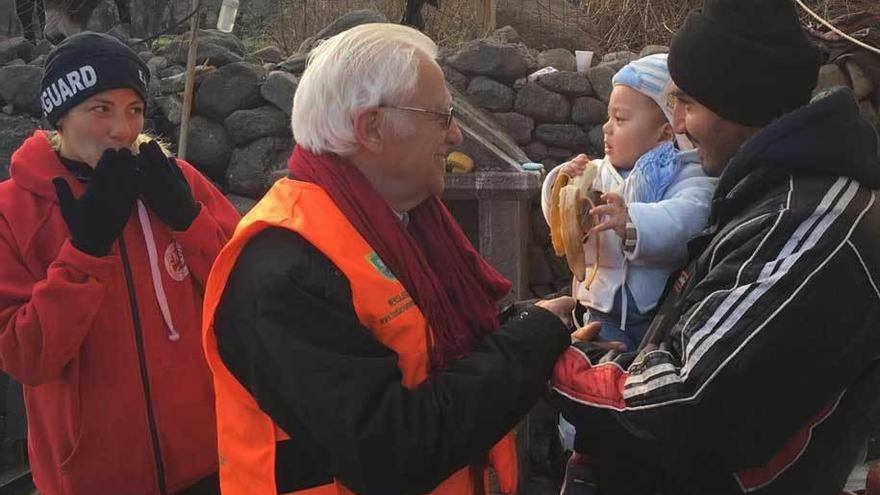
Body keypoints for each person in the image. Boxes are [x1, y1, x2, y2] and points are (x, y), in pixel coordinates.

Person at [201, 22, 580, 495]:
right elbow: (390, 451)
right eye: (440, 116)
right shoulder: (282, 266)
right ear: (372, 128)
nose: (457, 136)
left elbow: (421, 351)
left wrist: (529, 325)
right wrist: (529, 343)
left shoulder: (395, 222)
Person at [550, 0, 880, 493]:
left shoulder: (812, 220)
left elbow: (687, 398)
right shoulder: (767, 192)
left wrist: (548, 358)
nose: (677, 125)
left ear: (739, 102)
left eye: (687, 103)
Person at [0, 32, 240, 495]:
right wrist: (86, 253)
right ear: (61, 115)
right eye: (101, 109)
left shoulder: (174, 179)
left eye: (134, 109)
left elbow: (243, 295)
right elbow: (24, 356)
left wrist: (189, 222)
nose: (123, 130)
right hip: (91, 477)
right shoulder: (13, 211)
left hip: (209, 456)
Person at [542, 54, 716, 495]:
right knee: (584, 390)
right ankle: (581, 457)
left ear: (664, 130)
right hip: (593, 307)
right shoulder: (598, 172)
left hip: (647, 319)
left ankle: (630, 461)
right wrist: (559, 186)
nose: (607, 128)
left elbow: (687, 219)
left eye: (620, 118)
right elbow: (559, 220)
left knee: (634, 398)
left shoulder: (686, 175)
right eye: (607, 117)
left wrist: (631, 219)